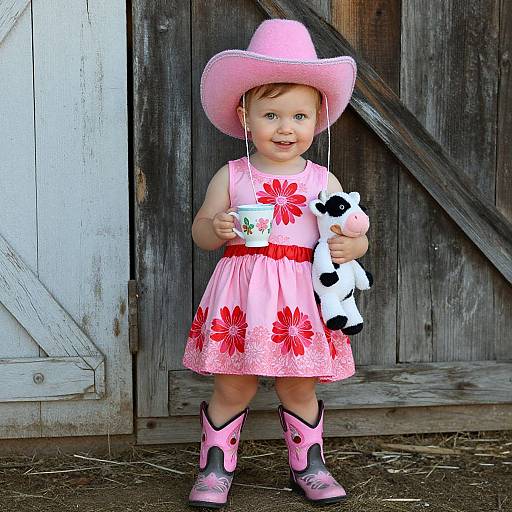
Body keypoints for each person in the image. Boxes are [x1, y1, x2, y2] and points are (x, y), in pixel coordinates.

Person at [182, 19, 368, 508]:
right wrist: (217, 226)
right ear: (245, 116)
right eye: (271, 115)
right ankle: (215, 468)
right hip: (241, 297)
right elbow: (201, 231)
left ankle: (309, 467)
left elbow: (351, 235)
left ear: (317, 118)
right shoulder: (233, 175)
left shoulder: (322, 180)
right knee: (233, 385)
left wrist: (354, 249)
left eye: (299, 117)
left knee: (298, 386)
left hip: (298, 302)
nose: (286, 128)